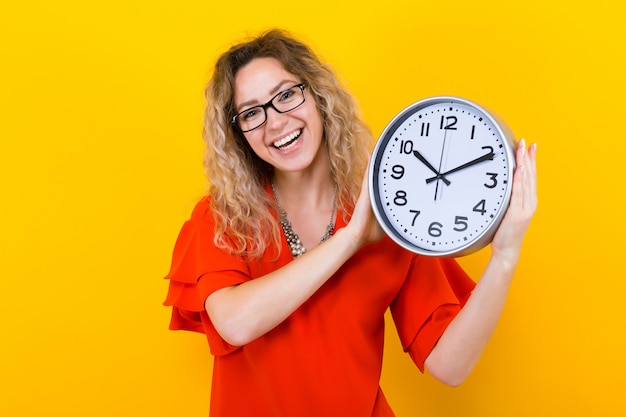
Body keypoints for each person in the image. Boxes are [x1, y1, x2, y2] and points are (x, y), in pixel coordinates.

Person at [163, 29, 537, 417]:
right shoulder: (224, 218)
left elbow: (449, 365)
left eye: (287, 94)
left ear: (319, 96)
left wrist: (505, 255)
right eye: (253, 112)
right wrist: (351, 238)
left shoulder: (393, 216)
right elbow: (235, 323)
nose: (275, 122)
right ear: (238, 133)